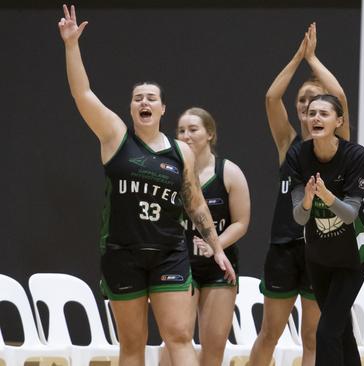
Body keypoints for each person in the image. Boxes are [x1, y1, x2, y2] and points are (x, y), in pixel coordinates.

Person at [58, 6, 234, 366]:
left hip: (169, 251)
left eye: (151, 98)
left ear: (163, 108)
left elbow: (195, 203)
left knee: (180, 336)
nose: (144, 102)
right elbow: (83, 94)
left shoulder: (180, 150)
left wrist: (216, 248)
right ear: (131, 108)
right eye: (138, 98)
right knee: (133, 344)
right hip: (123, 252)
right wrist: (71, 45)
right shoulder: (115, 137)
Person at [249, 23, 350, 366]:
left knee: (313, 336)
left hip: (322, 248)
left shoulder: (340, 144)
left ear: (330, 114)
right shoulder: (287, 142)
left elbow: (341, 97)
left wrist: (314, 59)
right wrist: (298, 57)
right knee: (270, 334)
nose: (308, 107)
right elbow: (270, 97)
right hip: (284, 247)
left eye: (314, 100)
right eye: (302, 101)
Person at [159, 108, 250, 366]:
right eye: (181, 130)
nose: (186, 135)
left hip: (218, 269)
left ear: (210, 133)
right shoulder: (168, 172)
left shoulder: (228, 172)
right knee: (175, 341)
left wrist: (215, 245)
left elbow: (241, 223)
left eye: (193, 129)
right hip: (179, 265)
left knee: (213, 351)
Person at [288, 94, 364, 366]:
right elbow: (300, 218)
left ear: (339, 121)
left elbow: (350, 215)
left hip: (352, 258)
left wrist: (326, 195)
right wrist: (309, 199)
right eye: (312, 113)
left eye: (324, 113)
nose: (316, 118)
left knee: (325, 332)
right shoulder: (298, 154)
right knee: (340, 331)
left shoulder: (355, 156)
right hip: (319, 259)